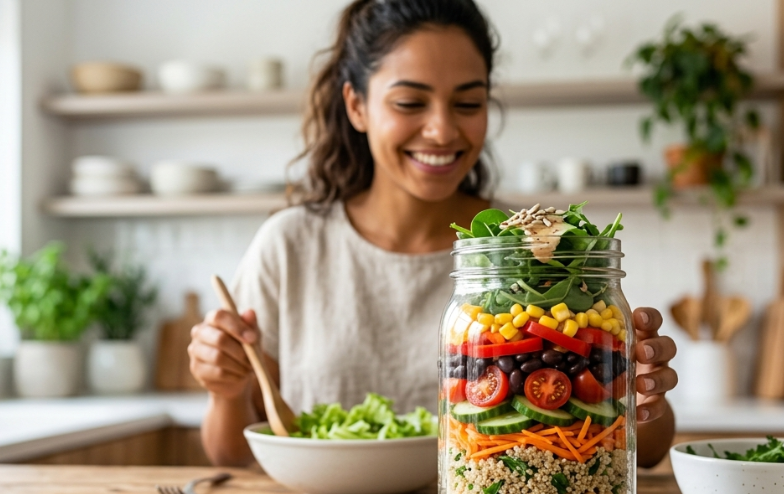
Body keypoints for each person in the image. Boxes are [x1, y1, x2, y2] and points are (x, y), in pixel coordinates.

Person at [189, 0, 677, 468]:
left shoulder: (536, 246)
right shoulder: (289, 246)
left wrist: (642, 387)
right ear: (356, 105)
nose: (442, 130)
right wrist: (225, 391)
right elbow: (232, 455)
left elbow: (647, 448)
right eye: (409, 102)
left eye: (468, 102)